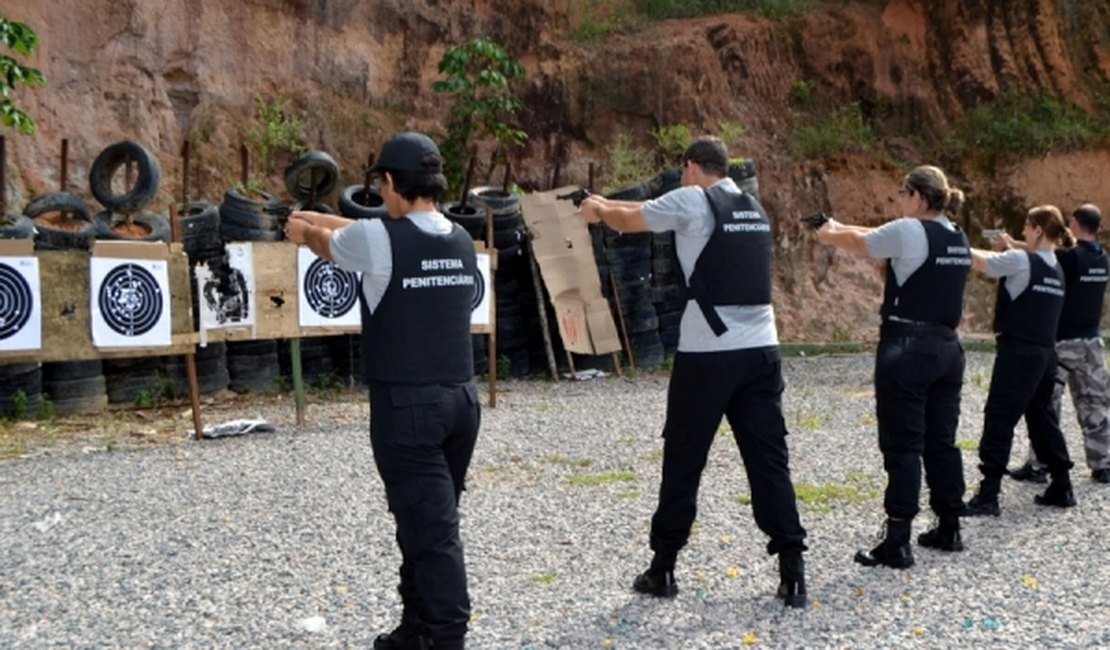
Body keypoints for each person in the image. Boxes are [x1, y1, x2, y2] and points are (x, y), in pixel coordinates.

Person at [578, 135, 808, 608]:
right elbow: (647, 205)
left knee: (684, 459)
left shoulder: (691, 199)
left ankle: (663, 568)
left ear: (690, 168)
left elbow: (630, 218)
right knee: (769, 461)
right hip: (763, 350)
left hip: (708, 355)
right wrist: (603, 201)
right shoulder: (752, 207)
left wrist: (596, 210)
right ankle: (793, 571)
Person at [286, 132, 480, 650]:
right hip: (460, 402)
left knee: (432, 535)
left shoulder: (378, 240)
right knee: (424, 523)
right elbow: (364, 231)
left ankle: (445, 637)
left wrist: (301, 228)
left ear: (390, 183)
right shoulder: (460, 238)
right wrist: (318, 220)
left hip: (408, 406)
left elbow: (333, 244)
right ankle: (416, 628)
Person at [814, 165, 971, 569]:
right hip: (948, 348)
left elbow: (861, 240)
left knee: (903, 445)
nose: (899, 201)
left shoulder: (908, 230)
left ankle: (897, 539)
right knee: (942, 441)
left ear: (918, 197)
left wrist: (828, 232)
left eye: (902, 193)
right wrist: (836, 225)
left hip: (908, 346)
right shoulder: (957, 236)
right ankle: (949, 525)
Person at [963, 205, 1077, 517]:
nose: (1023, 232)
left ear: (1038, 229)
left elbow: (982, 262)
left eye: (1027, 227)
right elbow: (1026, 257)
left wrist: (953, 244)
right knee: (1042, 418)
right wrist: (1012, 246)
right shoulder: (1055, 267)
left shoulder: (1019, 260)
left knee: (999, 417)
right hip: (1045, 354)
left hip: (1018, 351)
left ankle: (988, 493)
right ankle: (1062, 483)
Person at [1007, 203, 1110, 485]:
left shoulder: (1070, 258)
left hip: (1063, 341)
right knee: (1095, 404)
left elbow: (1044, 255)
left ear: (1075, 223)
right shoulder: (1103, 258)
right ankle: (1102, 465)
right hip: (1092, 341)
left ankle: (1039, 464)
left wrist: (1010, 246)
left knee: (1045, 405)